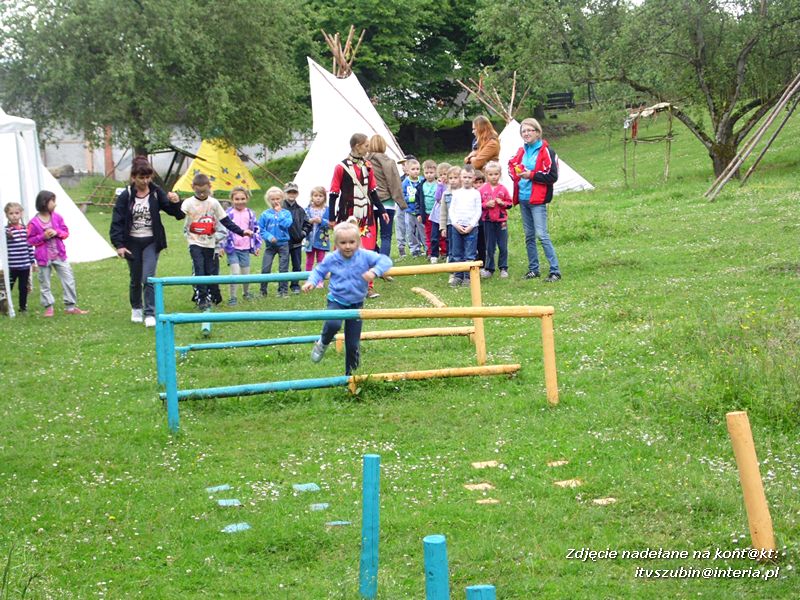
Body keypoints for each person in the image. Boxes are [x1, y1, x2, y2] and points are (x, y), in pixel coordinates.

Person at [302, 220, 393, 375]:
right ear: (336, 243)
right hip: (336, 300)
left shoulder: (364, 256)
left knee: (352, 344)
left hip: (356, 304)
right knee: (333, 324)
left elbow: (385, 260)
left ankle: (351, 377)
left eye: (352, 242)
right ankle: (322, 343)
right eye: (343, 243)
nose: (348, 246)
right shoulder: (332, 258)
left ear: (358, 241)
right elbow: (319, 271)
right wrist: (311, 281)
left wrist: (374, 272)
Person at [110, 156, 184, 326]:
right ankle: (136, 307)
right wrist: (119, 245)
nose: (145, 181)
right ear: (133, 178)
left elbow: (177, 214)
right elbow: (117, 221)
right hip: (132, 242)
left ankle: (150, 312)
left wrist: (176, 202)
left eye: (148, 177)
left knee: (148, 277)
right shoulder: (126, 196)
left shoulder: (157, 192)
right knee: (135, 278)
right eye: (141, 178)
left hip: (151, 241)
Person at [328, 132, 389, 299]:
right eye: (366, 146)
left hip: (366, 216)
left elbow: (373, 191)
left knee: (367, 250)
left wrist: (382, 210)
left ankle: (367, 287)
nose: (368, 149)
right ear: (357, 146)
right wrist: (332, 217)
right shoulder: (341, 167)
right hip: (347, 215)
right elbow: (333, 193)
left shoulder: (368, 166)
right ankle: (341, 284)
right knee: (344, 250)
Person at [181, 173, 253, 310]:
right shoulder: (188, 203)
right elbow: (178, 214)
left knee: (209, 270)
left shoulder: (213, 203)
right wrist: (173, 201)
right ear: (192, 188)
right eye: (198, 192)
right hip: (194, 242)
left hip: (210, 243)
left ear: (210, 187)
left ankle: (212, 295)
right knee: (199, 269)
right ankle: (201, 299)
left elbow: (226, 221)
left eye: (205, 191)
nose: (202, 194)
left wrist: (242, 232)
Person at [508, 118, 561, 282]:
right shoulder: (521, 152)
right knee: (529, 236)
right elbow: (512, 167)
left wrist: (530, 175)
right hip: (523, 198)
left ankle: (555, 271)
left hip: (537, 200)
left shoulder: (546, 151)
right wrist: (516, 172)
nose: (526, 133)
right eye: (523, 131)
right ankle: (534, 269)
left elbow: (552, 176)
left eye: (529, 130)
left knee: (542, 235)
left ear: (537, 132)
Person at [27, 190, 89, 316]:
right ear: (44, 203)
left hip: (60, 255)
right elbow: (30, 240)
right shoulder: (33, 222)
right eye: (53, 201)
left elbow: (65, 232)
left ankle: (70, 306)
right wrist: (43, 236)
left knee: (68, 278)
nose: (55, 204)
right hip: (44, 258)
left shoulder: (57, 217)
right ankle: (48, 307)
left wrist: (57, 233)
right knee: (45, 282)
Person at [365, 135, 406, 259]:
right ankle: (383, 265)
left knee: (371, 235)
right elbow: (395, 183)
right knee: (386, 236)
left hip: (370, 202)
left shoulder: (365, 162)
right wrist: (401, 202)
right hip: (387, 202)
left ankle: (373, 260)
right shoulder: (389, 162)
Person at [222, 186, 261, 306]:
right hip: (232, 248)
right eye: (237, 199)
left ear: (247, 199)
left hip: (245, 248)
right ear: (232, 200)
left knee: (246, 273)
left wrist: (256, 245)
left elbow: (256, 229)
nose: (240, 201)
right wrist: (221, 246)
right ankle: (232, 297)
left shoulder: (250, 213)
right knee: (235, 273)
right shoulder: (228, 214)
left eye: (243, 198)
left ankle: (246, 293)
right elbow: (222, 230)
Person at [447, 168, 482, 287]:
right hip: (456, 227)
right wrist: (455, 224)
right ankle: (458, 275)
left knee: (470, 253)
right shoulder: (456, 193)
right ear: (461, 178)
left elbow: (478, 211)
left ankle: (468, 277)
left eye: (469, 177)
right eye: (464, 177)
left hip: (471, 228)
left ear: (473, 179)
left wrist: (471, 225)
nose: (466, 180)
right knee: (457, 252)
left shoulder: (476, 193)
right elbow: (451, 210)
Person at [479, 161, 513, 279]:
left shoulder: (503, 189)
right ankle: (489, 268)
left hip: (501, 221)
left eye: (496, 174)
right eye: (491, 174)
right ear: (486, 175)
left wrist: (502, 203)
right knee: (489, 246)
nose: (493, 177)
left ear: (500, 174)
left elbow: (510, 203)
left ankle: (503, 268)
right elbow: (478, 204)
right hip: (488, 221)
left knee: (503, 245)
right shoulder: (482, 189)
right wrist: (486, 205)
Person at [258, 187, 293, 297]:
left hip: (283, 244)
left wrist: (280, 214)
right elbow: (261, 230)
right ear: (269, 200)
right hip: (270, 246)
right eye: (273, 199)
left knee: (283, 268)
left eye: (278, 198)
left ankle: (283, 291)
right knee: (265, 268)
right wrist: (269, 237)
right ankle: (263, 291)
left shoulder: (286, 213)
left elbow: (287, 224)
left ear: (282, 199)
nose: (275, 201)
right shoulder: (265, 214)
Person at [4, 202, 36, 313]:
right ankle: (4, 307)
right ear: (7, 215)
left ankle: (23, 307)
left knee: (23, 288)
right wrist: (6, 234)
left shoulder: (25, 229)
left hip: (25, 265)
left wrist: (32, 261)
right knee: (8, 287)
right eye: (11, 213)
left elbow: (29, 246)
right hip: (12, 266)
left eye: (16, 213)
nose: (14, 216)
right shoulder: (6, 231)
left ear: (21, 214)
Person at [282, 182, 311, 294]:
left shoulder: (300, 210)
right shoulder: (281, 209)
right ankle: (283, 287)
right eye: (289, 192)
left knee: (297, 266)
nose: (291, 194)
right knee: (283, 266)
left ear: (297, 194)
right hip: (283, 243)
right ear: (285, 193)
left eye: (294, 192)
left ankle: (295, 285)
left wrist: (302, 234)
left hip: (297, 243)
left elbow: (308, 223)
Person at [438, 165, 462, 283]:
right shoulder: (446, 194)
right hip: (450, 225)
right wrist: (442, 227)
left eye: (455, 177)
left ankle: (464, 271)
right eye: (451, 178)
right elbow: (443, 212)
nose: (453, 180)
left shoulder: (465, 193)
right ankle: (453, 273)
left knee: (462, 248)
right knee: (452, 249)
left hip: (463, 224)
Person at [400, 159, 426, 257]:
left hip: (420, 211)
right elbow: (402, 195)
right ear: (407, 171)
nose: (415, 171)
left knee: (422, 230)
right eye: (413, 169)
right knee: (410, 231)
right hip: (409, 211)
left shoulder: (422, 180)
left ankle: (427, 247)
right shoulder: (405, 183)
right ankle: (415, 249)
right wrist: (409, 197)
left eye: (417, 169)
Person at [304, 186, 330, 273]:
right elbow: (303, 221)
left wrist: (321, 221)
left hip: (322, 240)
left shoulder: (326, 210)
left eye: (320, 196)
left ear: (324, 198)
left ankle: (319, 279)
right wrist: (309, 221)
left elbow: (330, 224)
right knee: (309, 260)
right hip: (310, 239)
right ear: (312, 197)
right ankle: (308, 277)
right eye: (315, 196)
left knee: (321, 260)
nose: (318, 198)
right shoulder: (307, 209)